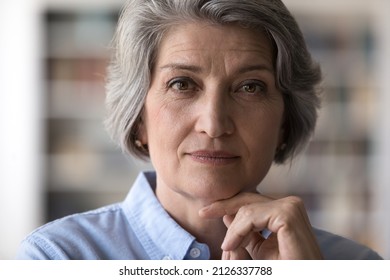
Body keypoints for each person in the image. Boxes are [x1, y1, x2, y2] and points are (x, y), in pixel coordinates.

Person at [17, 0, 382, 260]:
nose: (214, 123)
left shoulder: (353, 265)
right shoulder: (59, 258)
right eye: (182, 84)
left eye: (250, 87)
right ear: (139, 117)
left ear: (284, 123)